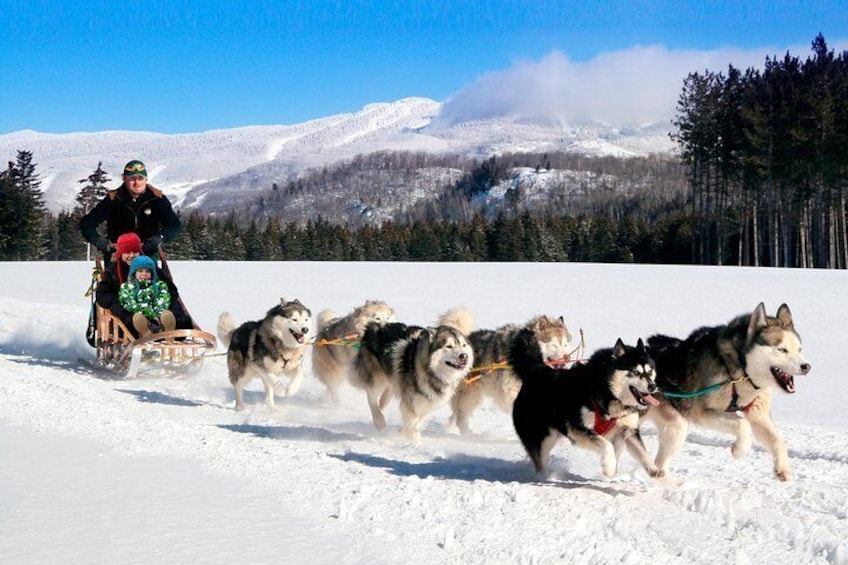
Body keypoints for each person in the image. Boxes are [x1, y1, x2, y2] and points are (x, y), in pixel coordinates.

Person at [96, 232, 192, 337]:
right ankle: (143, 329)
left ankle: (174, 325)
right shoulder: (113, 272)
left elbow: (171, 288)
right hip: (129, 307)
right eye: (127, 252)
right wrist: (120, 300)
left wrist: (162, 296)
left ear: (139, 252)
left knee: (171, 301)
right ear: (121, 254)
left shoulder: (149, 266)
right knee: (124, 312)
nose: (131, 255)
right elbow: (102, 295)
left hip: (156, 303)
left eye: (135, 252)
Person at [80, 159, 181, 258]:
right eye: (132, 178)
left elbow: (174, 225)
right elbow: (87, 222)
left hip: (147, 252)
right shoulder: (113, 199)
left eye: (140, 178)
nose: (137, 183)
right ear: (124, 179)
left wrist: (159, 238)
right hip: (117, 253)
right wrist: (99, 241)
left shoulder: (157, 199)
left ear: (146, 179)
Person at [118, 255, 176, 336]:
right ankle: (147, 335)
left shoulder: (159, 285)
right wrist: (146, 314)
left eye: (147, 271)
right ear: (134, 273)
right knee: (137, 318)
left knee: (167, 314)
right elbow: (127, 302)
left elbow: (163, 300)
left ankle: (168, 336)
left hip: (158, 317)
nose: (144, 274)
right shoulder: (127, 287)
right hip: (140, 315)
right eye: (140, 271)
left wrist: (157, 316)